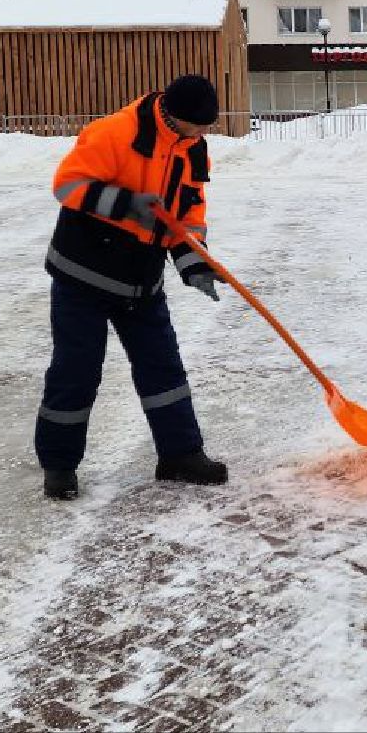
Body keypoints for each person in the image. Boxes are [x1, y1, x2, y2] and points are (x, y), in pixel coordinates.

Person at [36, 74, 229, 500]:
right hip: (83, 275)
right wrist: (126, 206)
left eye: (205, 128)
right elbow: (67, 184)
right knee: (76, 371)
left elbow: (187, 214)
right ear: (172, 115)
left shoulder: (192, 147)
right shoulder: (114, 132)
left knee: (164, 367)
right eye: (195, 126)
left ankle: (180, 455)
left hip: (142, 280)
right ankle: (59, 466)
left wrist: (194, 262)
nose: (200, 135)